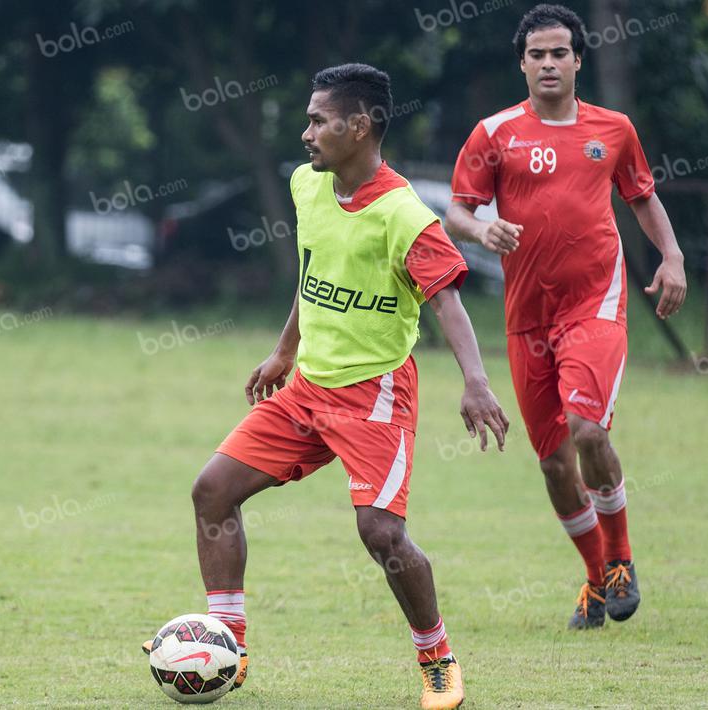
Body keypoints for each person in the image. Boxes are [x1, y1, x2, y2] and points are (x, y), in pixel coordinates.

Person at [146, 63, 509, 710]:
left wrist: (476, 383)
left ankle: (436, 659)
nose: (305, 132)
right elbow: (314, 271)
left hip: (373, 395)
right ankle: (228, 645)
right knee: (211, 492)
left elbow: (448, 302)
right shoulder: (305, 187)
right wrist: (286, 349)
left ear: (359, 125)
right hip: (308, 388)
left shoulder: (403, 215)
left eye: (318, 120)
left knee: (381, 535)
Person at [443, 4, 687, 629]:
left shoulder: (615, 129)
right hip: (526, 317)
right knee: (553, 463)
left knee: (587, 430)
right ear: (521, 63)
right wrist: (481, 228)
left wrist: (673, 257)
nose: (548, 63)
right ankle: (594, 578)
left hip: (594, 304)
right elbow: (457, 213)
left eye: (559, 53)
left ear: (579, 60)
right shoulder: (494, 132)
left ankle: (622, 560)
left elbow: (642, 197)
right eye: (536, 54)